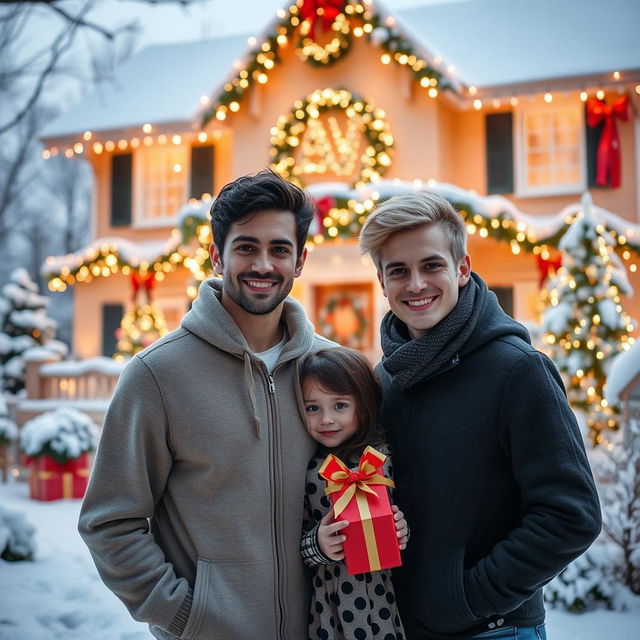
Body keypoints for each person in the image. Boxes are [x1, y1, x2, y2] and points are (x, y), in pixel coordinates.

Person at [79, 169, 335, 640]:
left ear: (300, 260)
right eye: (246, 247)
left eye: (279, 249)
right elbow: (110, 521)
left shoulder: (331, 368)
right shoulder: (157, 375)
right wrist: (186, 617)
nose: (263, 264)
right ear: (217, 255)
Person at [358, 193, 602, 640]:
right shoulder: (386, 379)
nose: (415, 284)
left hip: (493, 631)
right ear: (381, 281)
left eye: (431, 265)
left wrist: (469, 597)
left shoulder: (518, 370)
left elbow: (571, 515)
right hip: (403, 627)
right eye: (399, 271)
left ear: (462, 268)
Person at [299, 347, 408, 640]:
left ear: (362, 405)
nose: (326, 419)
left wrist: (401, 530)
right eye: (313, 408)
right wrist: (317, 544)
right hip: (331, 600)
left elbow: (403, 520)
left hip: (382, 595)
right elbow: (296, 538)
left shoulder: (381, 460)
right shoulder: (312, 470)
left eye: (339, 406)